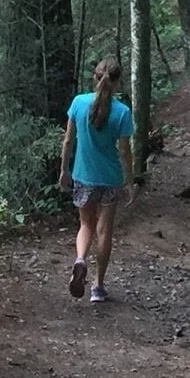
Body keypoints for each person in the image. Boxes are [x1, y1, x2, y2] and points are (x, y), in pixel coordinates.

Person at [60, 56, 134, 303]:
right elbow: (124, 151)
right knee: (105, 230)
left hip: (83, 174)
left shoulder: (78, 103)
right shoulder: (122, 112)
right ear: (118, 82)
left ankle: (80, 259)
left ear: (95, 77)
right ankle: (98, 287)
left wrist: (64, 170)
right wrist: (129, 181)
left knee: (86, 224)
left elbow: (68, 141)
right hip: (110, 177)